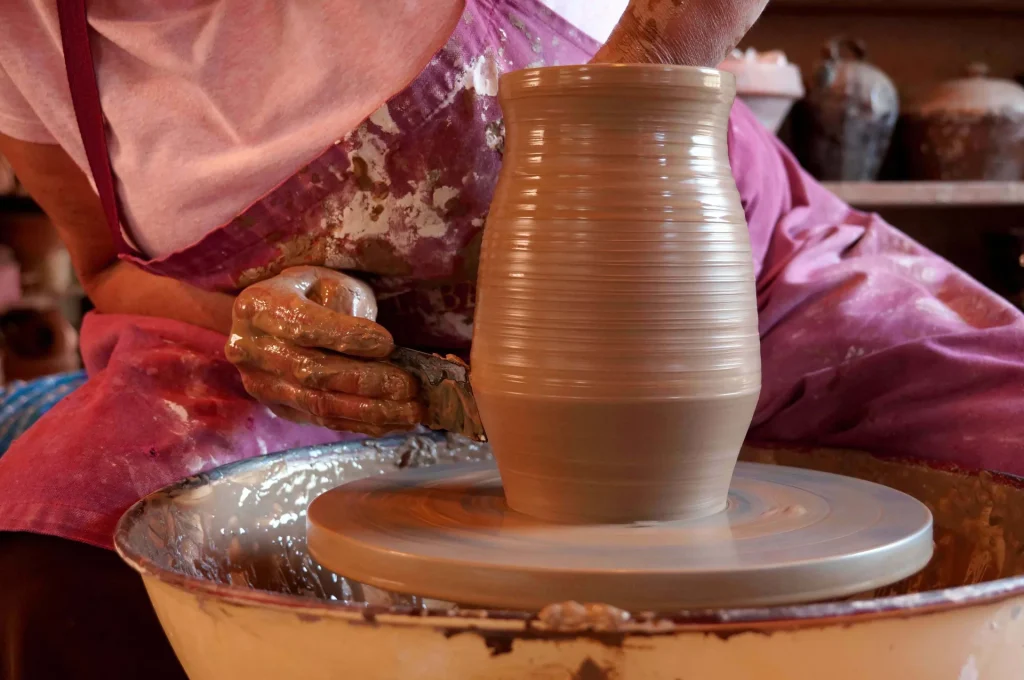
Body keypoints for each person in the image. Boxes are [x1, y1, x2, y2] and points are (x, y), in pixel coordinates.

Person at [1, 0, 1022, 677]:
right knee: (66, 557)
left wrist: (629, 101)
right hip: (337, 385)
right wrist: (265, 313)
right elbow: (103, 269)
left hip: (741, 294)